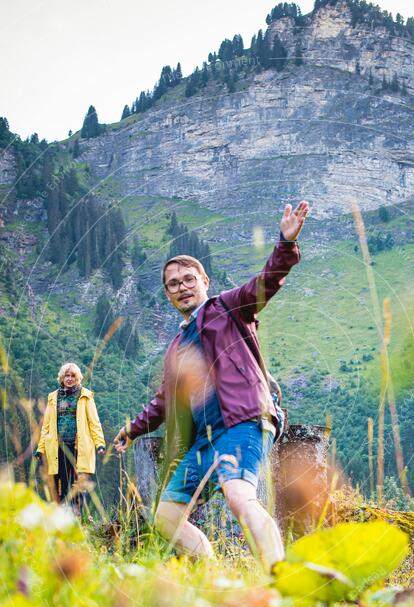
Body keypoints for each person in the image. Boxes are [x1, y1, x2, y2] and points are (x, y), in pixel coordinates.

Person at [114, 201, 309, 567]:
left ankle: (280, 579)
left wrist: (285, 243)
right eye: (173, 284)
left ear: (204, 281)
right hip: (204, 440)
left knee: (239, 496)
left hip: (244, 423)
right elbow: (162, 404)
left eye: (188, 279)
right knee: (166, 517)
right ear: (168, 295)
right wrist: (132, 429)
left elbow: (267, 282)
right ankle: (210, 574)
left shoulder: (228, 308)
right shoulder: (175, 349)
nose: (182, 287)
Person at [36, 362, 106, 511]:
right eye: (66, 375)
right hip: (57, 448)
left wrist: (100, 443)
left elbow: (94, 422)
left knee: (78, 484)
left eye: (72, 376)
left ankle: (78, 520)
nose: (69, 378)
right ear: (62, 378)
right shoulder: (53, 397)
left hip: (78, 448)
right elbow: (46, 426)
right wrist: (40, 449)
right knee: (59, 484)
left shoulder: (85, 396)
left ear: (77, 378)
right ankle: (59, 520)